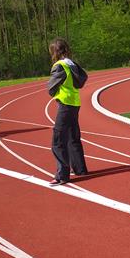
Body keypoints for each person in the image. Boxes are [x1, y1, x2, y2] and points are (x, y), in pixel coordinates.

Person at [47, 39, 88, 185]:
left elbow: (51, 88)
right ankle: (80, 169)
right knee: (73, 137)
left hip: (65, 104)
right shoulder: (72, 64)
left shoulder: (59, 66)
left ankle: (62, 175)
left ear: (55, 52)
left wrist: (54, 92)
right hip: (75, 102)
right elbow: (83, 79)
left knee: (58, 139)